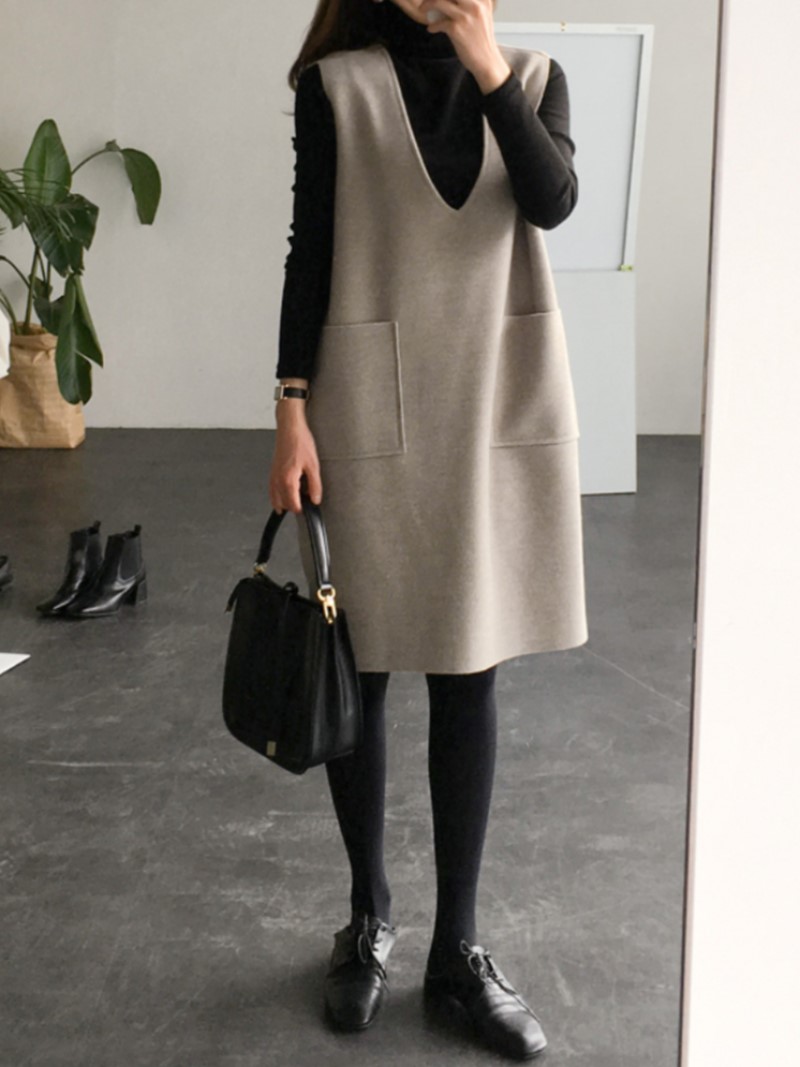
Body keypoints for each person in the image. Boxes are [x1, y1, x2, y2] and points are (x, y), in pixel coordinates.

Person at [269, 0, 587, 1059]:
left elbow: (552, 201)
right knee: (358, 664)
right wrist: (290, 407)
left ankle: (457, 948)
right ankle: (368, 916)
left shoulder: (530, 78)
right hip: (366, 402)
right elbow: (310, 246)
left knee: (467, 667)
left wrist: (484, 62)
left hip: (493, 405)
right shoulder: (336, 87)